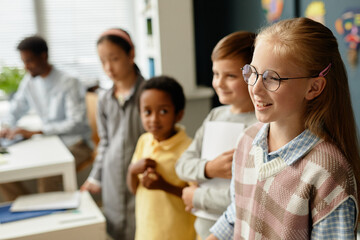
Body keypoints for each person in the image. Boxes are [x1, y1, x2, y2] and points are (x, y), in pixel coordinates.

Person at [208, 17, 360, 240]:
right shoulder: (247, 140)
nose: (256, 88)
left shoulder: (327, 172)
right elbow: (237, 214)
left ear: (314, 87)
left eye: (273, 78)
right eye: (253, 72)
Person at [175, 31, 258, 240]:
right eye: (216, 74)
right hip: (203, 227)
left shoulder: (261, 126)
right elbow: (182, 165)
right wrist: (208, 168)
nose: (219, 83)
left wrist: (197, 196)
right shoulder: (215, 115)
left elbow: (251, 197)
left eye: (230, 76)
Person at [0, 35, 92, 200]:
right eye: (23, 62)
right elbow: (17, 107)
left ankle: (41, 211)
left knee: (48, 173)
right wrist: (6, 127)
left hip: (77, 143)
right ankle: (25, 206)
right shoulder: (30, 81)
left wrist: (37, 131)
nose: (26, 67)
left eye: (29, 61)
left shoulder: (69, 82)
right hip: (50, 141)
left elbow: (76, 123)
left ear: (44, 56)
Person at [80, 28, 144, 240]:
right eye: (103, 61)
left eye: (114, 59)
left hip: (142, 176)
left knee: (143, 227)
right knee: (116, 228)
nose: (108, 68)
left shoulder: (149, 94)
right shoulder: (105, 100)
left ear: (131, 54)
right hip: (112, 176)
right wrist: (95, 176)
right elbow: (104, 143)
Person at [127, 76, 196, 240]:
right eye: (147, 111)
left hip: (177, 234)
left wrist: (163, 186)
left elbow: (196, 197)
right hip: (146, 232)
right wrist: (131, 171)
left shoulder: (189, 149)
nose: (154, 119)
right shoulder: (144, 141)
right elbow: (134, 189)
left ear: (178, 115)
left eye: (163, 111)